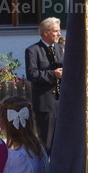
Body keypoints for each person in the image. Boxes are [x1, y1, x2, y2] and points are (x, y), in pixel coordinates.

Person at [25, 17, 63, 152]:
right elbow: (32, 74)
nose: (59, 34)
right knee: (46, 141)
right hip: (45, 103)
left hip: (61, 102)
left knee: (61, 141)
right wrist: (53, 74)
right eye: (56, 31)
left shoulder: (60, 49)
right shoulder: (33, 50)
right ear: (46, 32)